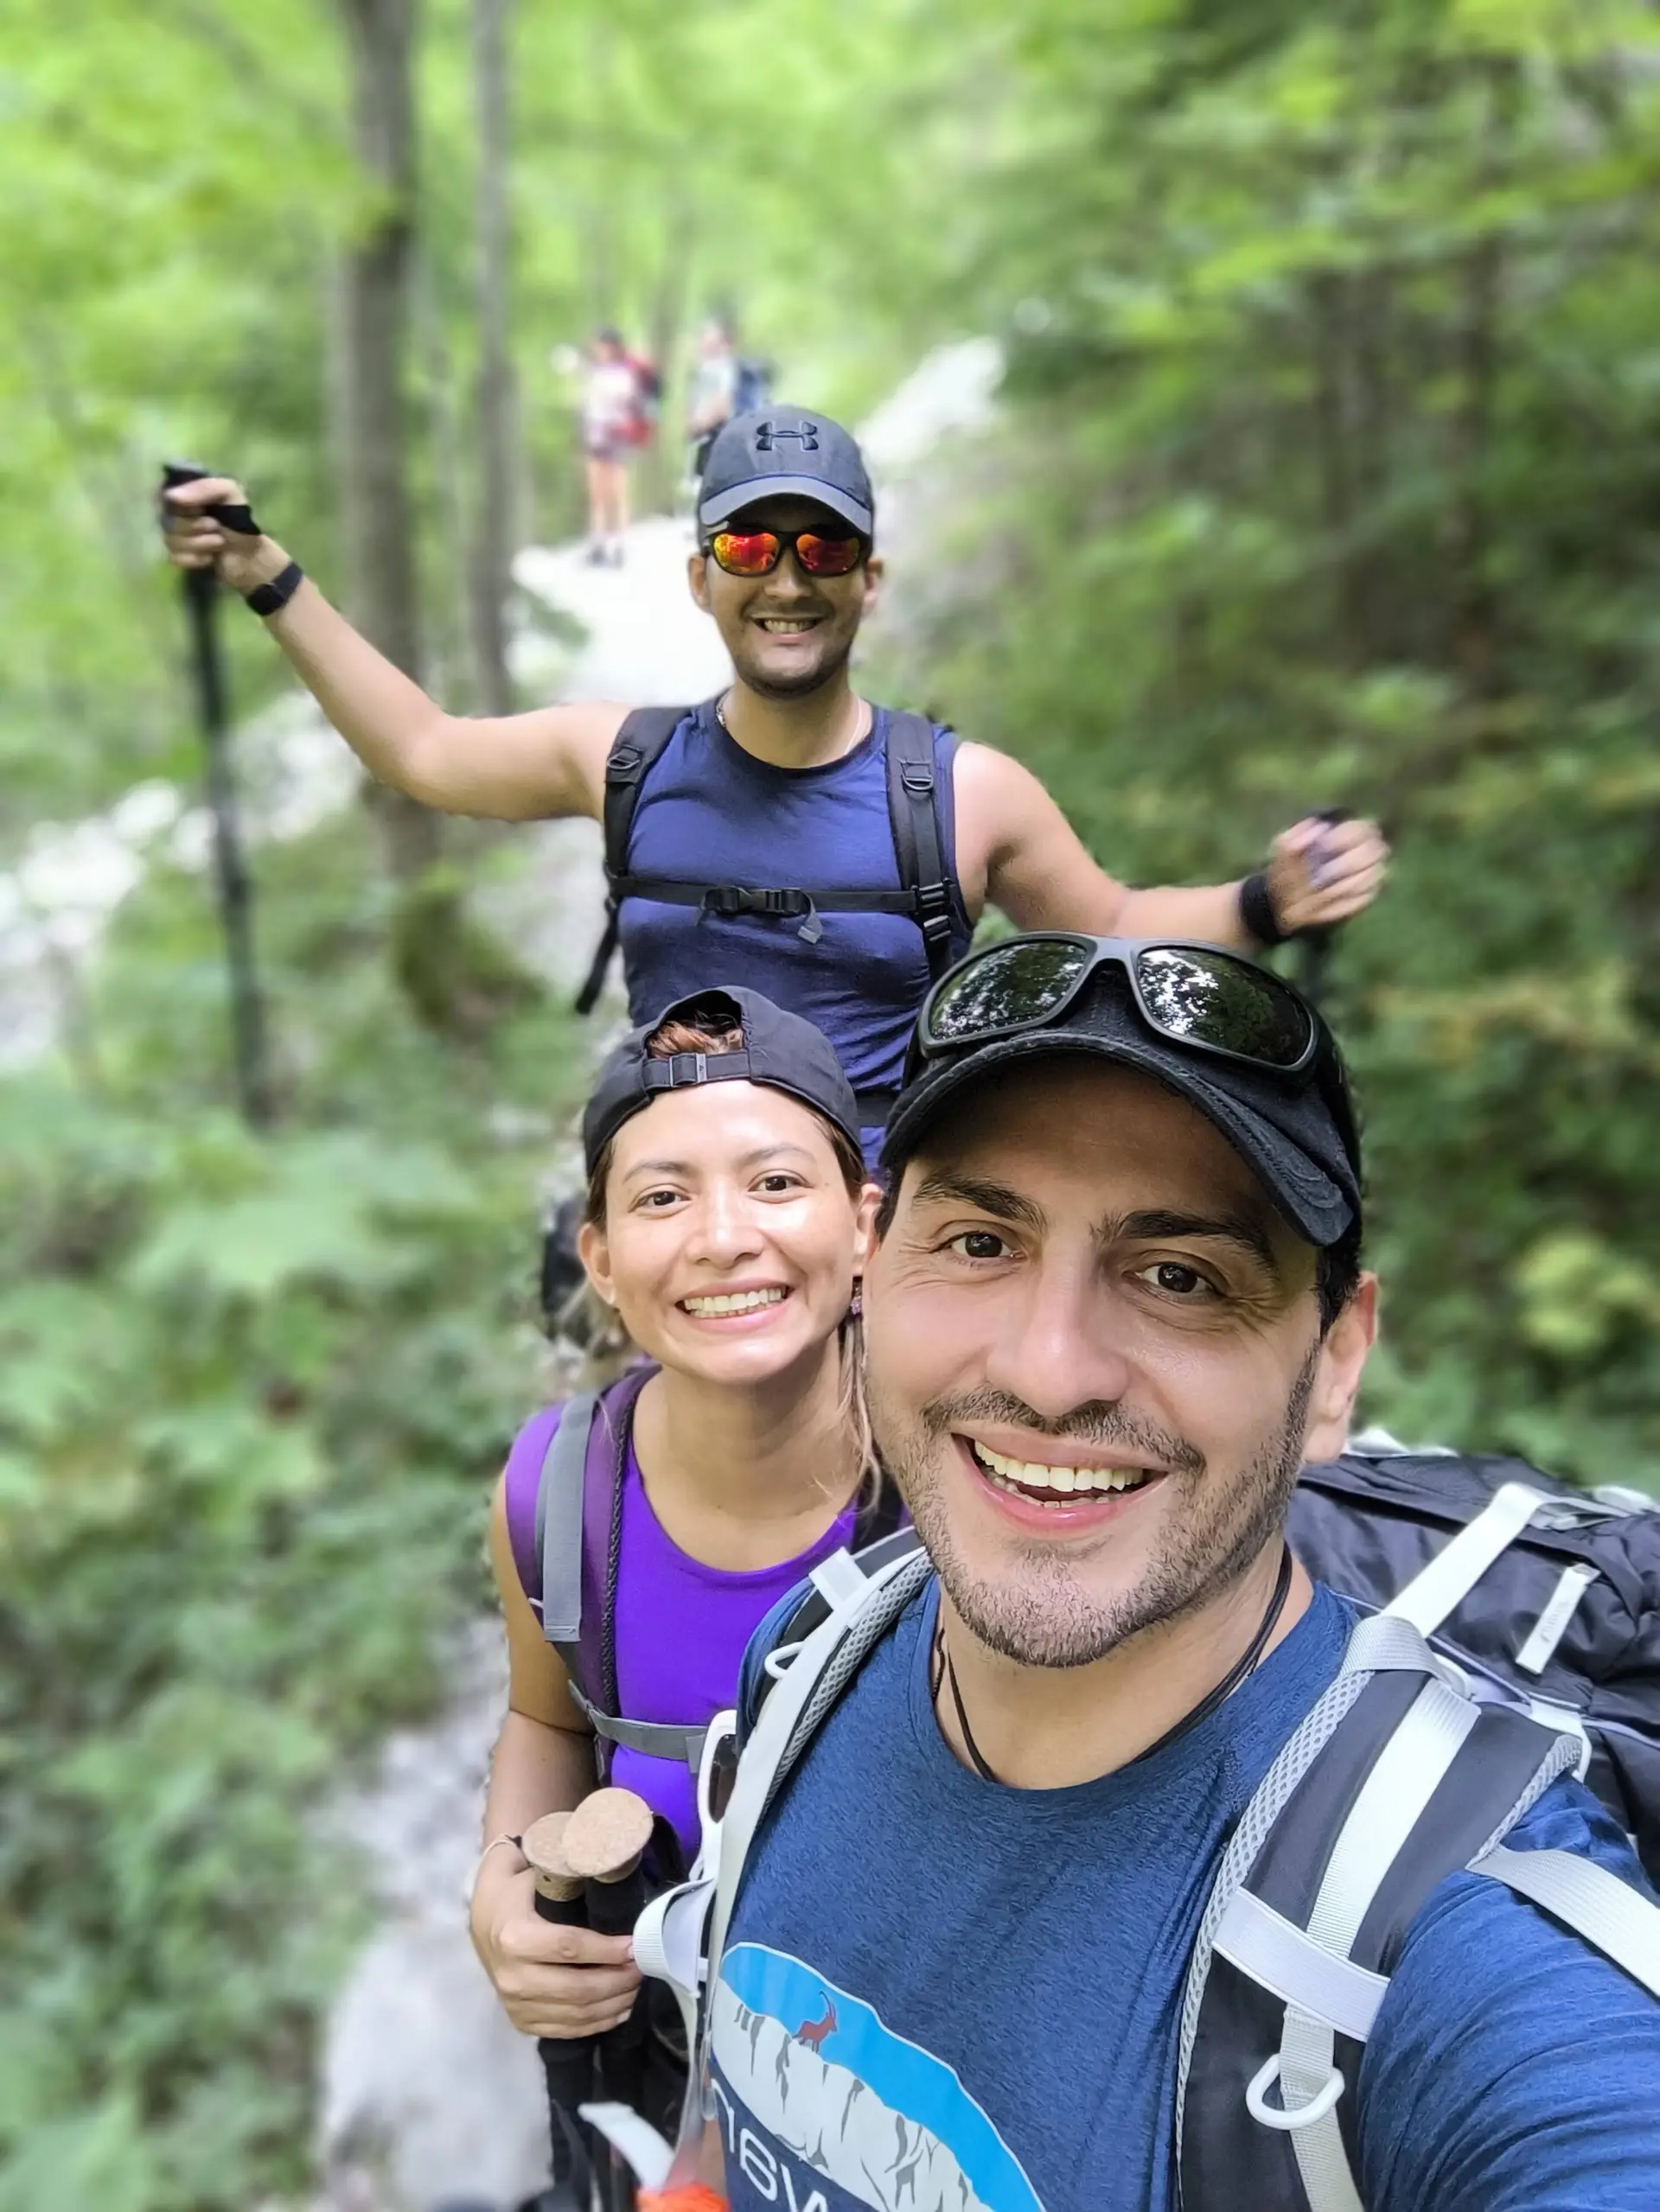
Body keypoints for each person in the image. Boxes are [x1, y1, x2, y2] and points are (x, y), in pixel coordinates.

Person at [684, 935, 1660, 2211]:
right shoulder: (817, 1653)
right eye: (980, 1240)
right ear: (873, 1259)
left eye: (1181, 1275)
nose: (1047, 1368)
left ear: (1339, 1354)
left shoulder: (1444, 1930)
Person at [160, 410, 1389, 1163]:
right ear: (701, 579)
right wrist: (269, 573)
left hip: (876, 1237)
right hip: (681, 1225)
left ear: (871, 578)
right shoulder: (623, 761)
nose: (788, 579)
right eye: (752, 546)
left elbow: (1112, 927)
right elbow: (423, 751)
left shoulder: (963, 795)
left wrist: (1266, 901)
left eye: (825, 548)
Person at [469, 986, 896, 2159]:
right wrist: (502, 1887)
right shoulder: (556, 1493)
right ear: (600, 1258)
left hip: (903, 2089)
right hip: (653, 2066)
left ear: (865, 1225)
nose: (720, 1236)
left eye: (775, 1182)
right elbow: (543, 1717)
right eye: (662, 1196)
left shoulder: (953, 1482)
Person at [580, 327, 640, 566]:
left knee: (616, 493)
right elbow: (589, 406)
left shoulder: (622, 374)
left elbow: (621, 401)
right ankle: (598, 543)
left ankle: (618, 545)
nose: (599, 350)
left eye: (602, 346)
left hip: (615, 437)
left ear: (612, 347)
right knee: (597, 493)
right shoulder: (596, 373)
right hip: (596, 438)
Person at [686, 319, 740, 481]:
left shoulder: (725, 368)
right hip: (702, 436)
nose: (707, 345)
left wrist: (699, 424)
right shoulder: (703, 368)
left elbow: (723, 402)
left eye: (713, 342)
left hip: (715, 434)